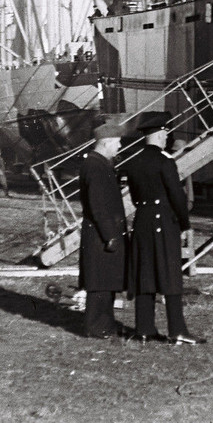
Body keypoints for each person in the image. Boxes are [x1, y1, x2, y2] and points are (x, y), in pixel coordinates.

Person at [120, 111, 199, 344]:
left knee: (145, 273)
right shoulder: (165, 161)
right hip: (164, 222)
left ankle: (144, 328)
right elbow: (177, 195)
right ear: (158, 134)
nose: (166, 137)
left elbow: (134, 197)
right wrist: (185, 224)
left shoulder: (134, 161)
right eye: (165, 133)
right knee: (170, 274)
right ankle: (177, 330)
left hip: (142, 221)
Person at [78, 122, 129, 338]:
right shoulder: (96, 166)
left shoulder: (99, 164)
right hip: (101, 234)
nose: (119, 147)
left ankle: (105, 324)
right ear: (106, 143)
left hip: (103, 233)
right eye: (117, 143)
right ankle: (96, 327)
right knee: (99, 282)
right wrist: (110, 235)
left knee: (106, 280)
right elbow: (98, 206)